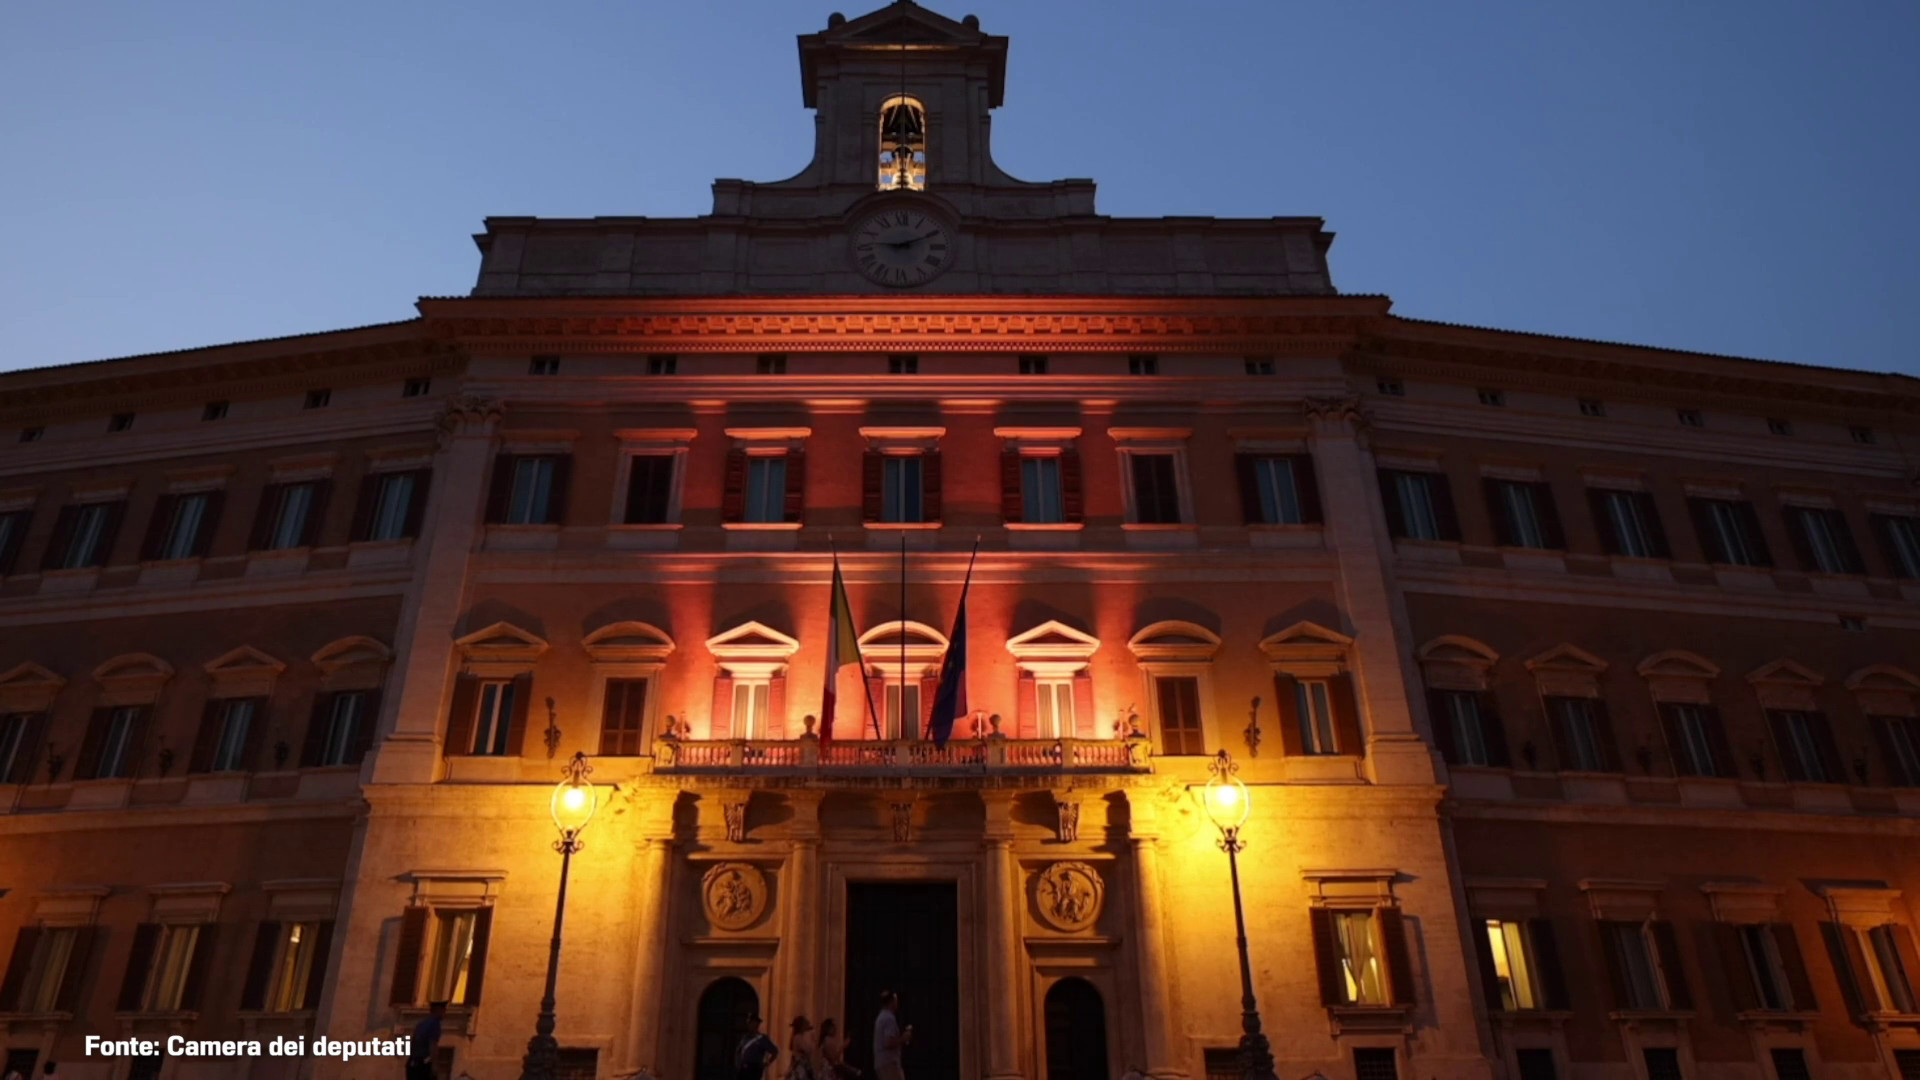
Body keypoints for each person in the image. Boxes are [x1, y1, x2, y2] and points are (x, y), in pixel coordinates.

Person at [871, 991, 912, 1080]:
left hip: (881, 1063)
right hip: (889, 1063)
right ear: (892, 1001)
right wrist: (903, 1038)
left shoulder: (880, 1017)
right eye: (896, 1000)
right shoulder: (889, 1018)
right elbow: (888, 1042)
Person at [407, 1001, 447, 1080]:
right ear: (437, 1010)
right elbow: (432, 1045)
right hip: (424, 1062)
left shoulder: (421, 1024)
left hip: (413, 1062)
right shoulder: (435, 1024)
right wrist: (434, 1066)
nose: (445, 1013)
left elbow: (413, 1042)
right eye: (443, 1010)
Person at [735, 1012, 778, 1080]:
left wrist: (766, 1063)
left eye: (751, 1022)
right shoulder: (745, 1037)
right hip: (743, 1069)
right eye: (748, 1022)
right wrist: (738, 1064)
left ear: (756, 1024)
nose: (749, 1025)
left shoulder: (762, 1039)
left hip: (754, 1070)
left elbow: (775, 1051)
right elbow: (738, 1051)